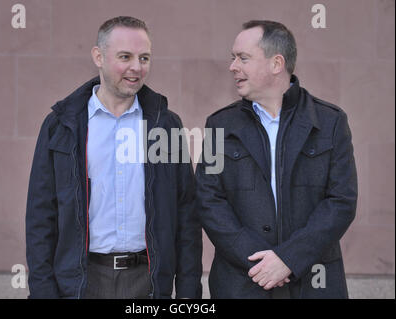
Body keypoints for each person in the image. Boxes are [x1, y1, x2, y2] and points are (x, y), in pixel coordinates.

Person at [26, 16, 202, 299]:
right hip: (82, 282)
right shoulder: (61, 125)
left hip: (148, 282)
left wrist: (189, 293)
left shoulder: (165, 125)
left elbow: (186, 216)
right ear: (99, 56)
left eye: (144, 58)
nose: (136, 67)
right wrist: (43, 291)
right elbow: (41, 217)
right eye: (125, 57)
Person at [196, 20, 357, 298]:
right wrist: (260, 262)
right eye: (232, 58)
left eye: (243, 58)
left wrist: (289, 259)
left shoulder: (330, 122)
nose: (233, 66)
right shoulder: (219, 125)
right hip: (242, 284)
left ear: (276, 63)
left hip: (313, 285)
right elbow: (209, 200)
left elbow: (341, 201)